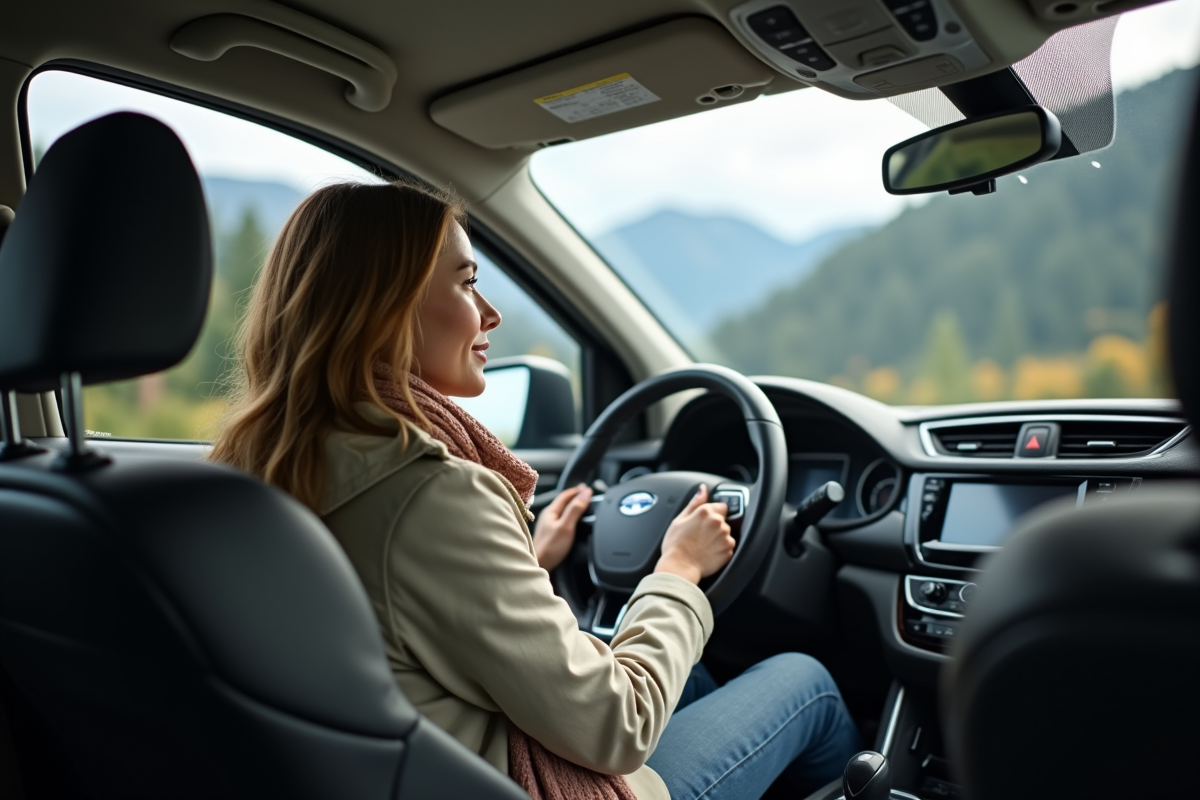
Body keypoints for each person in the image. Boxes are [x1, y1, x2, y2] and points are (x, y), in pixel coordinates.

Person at [209, 180, 860, 800]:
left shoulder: (260, 470)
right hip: (507, 780)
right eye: (466, 285)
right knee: (806, 683)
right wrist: (679, 569)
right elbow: (617, 725)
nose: (489, 313)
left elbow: (400, 614)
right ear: (387, 307)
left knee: (699, 676)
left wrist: (531, 558)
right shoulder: (432, 495)